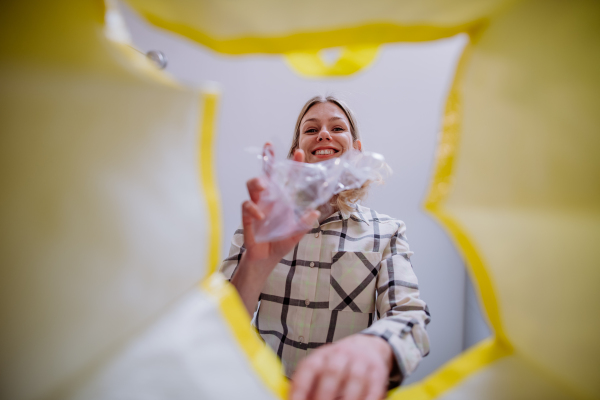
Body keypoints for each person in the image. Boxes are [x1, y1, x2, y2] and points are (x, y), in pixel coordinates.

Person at [219, 96, 430, 400]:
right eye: (311, 129)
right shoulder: (260, 229)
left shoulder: (388, 232)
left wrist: (378, 346)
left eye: (337, 128)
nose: (324, 135)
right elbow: (219, 327)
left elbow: (410, 318)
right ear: (296, 155)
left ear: (356, 151)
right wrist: (256, 263)